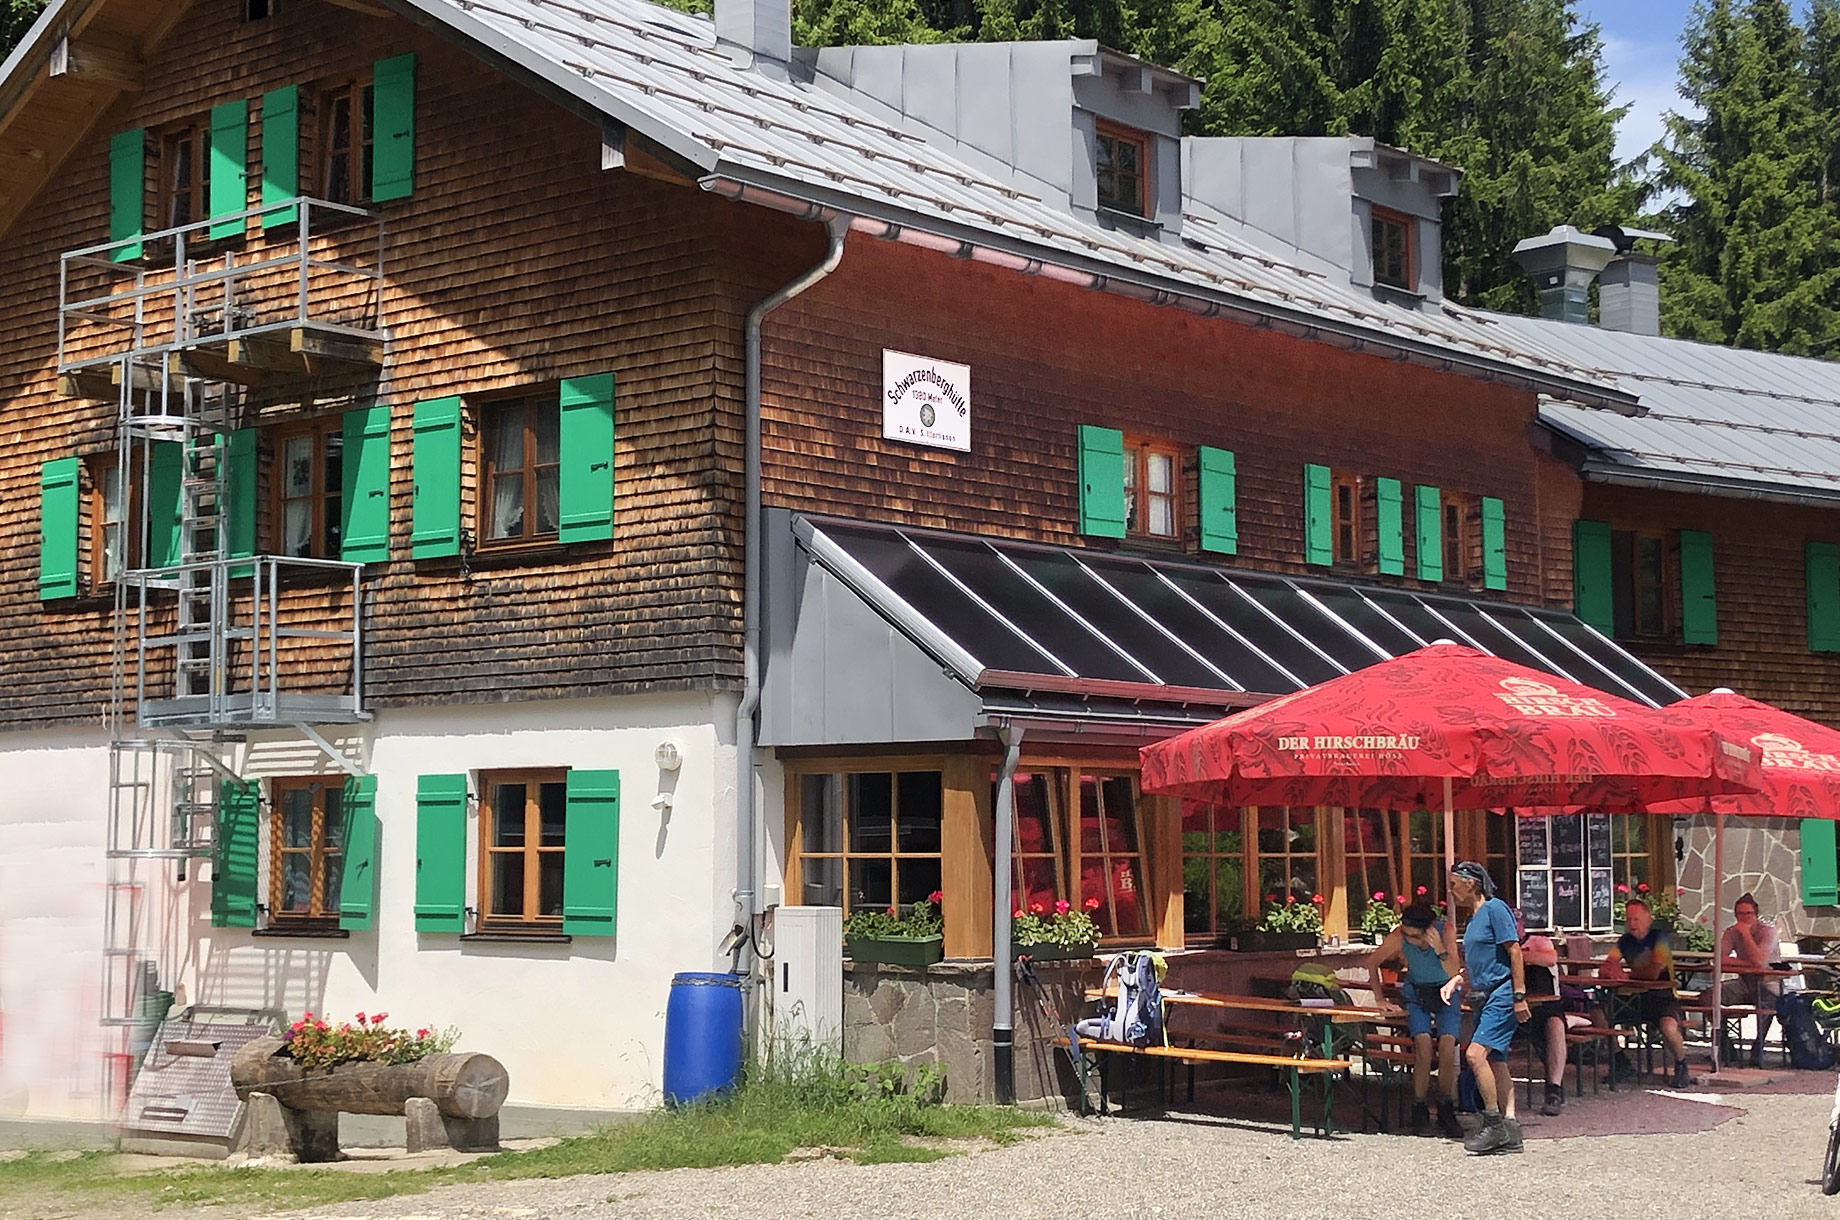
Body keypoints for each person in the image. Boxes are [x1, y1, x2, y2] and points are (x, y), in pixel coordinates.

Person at [1440, 860, 1530, 1155]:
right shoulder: (1474, 918)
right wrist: (1458, 978)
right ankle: (1510, 1127)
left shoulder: (1495, 909)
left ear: (1471, 882)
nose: (1451, 890)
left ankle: (1492, 1122)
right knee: (1496, 1061)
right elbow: (1480, 959)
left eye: (1454, 884)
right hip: (1483, 994)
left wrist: (1519, 995)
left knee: (1475, 1055)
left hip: (1502, 994)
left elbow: (1514, 951)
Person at [1365, 901, 1463, 1137]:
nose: (1411, 940)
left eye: (1417, 937)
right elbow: (1372, 962)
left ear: (1429, 930)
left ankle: (1445, 1108)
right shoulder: (1399, 936)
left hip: (1446, 991)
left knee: (1448, 1049)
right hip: (1417, 993)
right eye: (1407, 935)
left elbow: (1454, 972)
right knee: (1423, 1048)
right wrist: (1379, 998)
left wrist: (1439, 948)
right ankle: (1419, 1107)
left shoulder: (1445, 931)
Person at [1599, 896, 1691, 1087]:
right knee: (1597, 1012)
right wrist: (1612, 971)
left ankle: (1681, 1064)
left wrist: (1626, 975)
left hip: (1663, 998)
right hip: (1634, 998)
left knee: (1668, 1028)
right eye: (1629, 919)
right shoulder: (1624, 941)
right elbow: (1605, 967)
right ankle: (1620, 1060)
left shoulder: (1660, 938)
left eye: (1636, 919)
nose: (1632, 924)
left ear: (1648, 919)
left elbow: (1654, 972)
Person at [1521, 933, 1591, 1116]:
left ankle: (1554, 1090)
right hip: (1509, 1008)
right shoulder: (1492, 941)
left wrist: (1518, 955)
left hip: (1545, 1006)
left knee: (1555, 1025)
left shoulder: (1538, 940)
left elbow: (1551, 958)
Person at [1718, 892, 1781, 1067]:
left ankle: (1758, 1046)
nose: (1744, 918)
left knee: (1768, 1002)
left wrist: (1746, 935)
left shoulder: (1768, 932)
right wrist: (1746, 963)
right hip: (1743, 981)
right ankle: (1726, 1045)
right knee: (1708, 997)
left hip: (1768, 981)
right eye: (1740, 914)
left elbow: (1760, 961)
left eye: (1748, 914)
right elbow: (1719, 959)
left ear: (1756, 915)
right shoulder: (1731, 932)